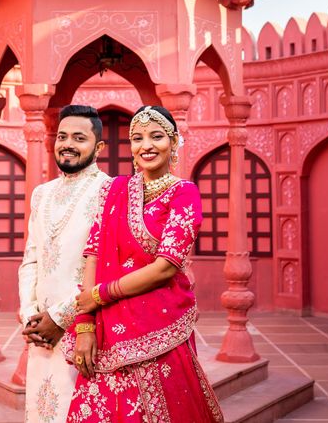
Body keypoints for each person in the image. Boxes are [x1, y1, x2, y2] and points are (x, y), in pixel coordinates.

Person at [63, 105, 224, 422]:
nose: (146, 145)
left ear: (174, 141)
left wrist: (100, 294)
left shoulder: (184, 193)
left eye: (156, 136)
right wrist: (85, 325)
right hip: (106, 329)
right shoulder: (114, 190)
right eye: (137, 138)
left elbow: (166, 267)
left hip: (160, 325)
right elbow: (93, 252)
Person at [17, 104, 113, 423]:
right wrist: (30, 315)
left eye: (78, 137)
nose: (67, 143)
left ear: (98, 147)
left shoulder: (111, 191)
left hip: (86, 327)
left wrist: (60, 318)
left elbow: (106, 267)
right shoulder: (41, 194)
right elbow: (31, 258)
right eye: (62, 136)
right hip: (41, 332)